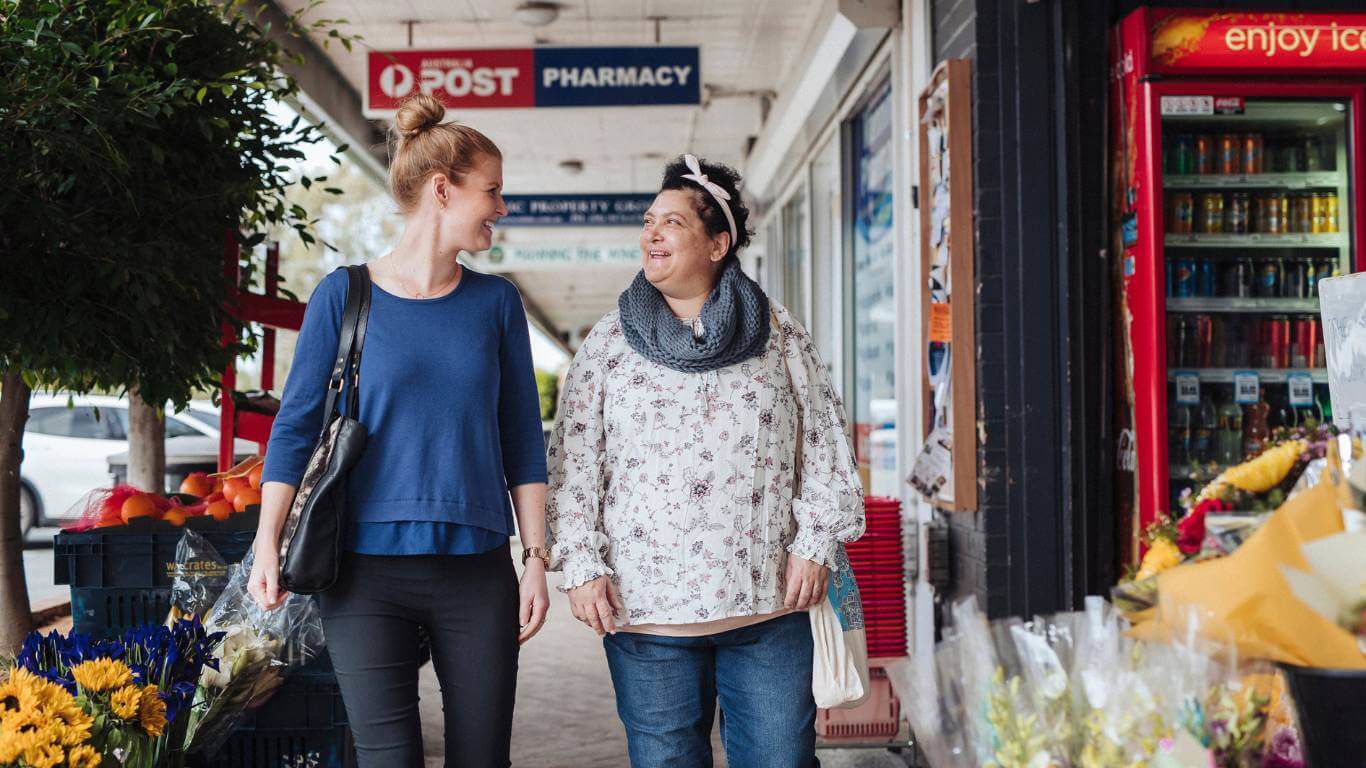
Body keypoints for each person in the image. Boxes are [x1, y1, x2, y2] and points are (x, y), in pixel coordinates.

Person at [247, 93, 550, 768]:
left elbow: (523, 440)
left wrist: (535, 559)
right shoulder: (342, 295)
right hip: (360, 573)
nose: (502, 208)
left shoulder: (496, 304)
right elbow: (296, 428)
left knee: (482, 759)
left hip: (476, 573)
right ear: (443, 190)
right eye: (493, 192)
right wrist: (267, 543)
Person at [545, 154, 865, 767]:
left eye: (673, 222)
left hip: (770, 603)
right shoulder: (609, 342)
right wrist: (581, 565)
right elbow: (574, 464)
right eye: (648, 221)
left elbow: (824, 440)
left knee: (781, 759)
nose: (652, 233)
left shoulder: (778, 331)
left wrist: (815, 543)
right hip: (646, 612)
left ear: (719, 243)